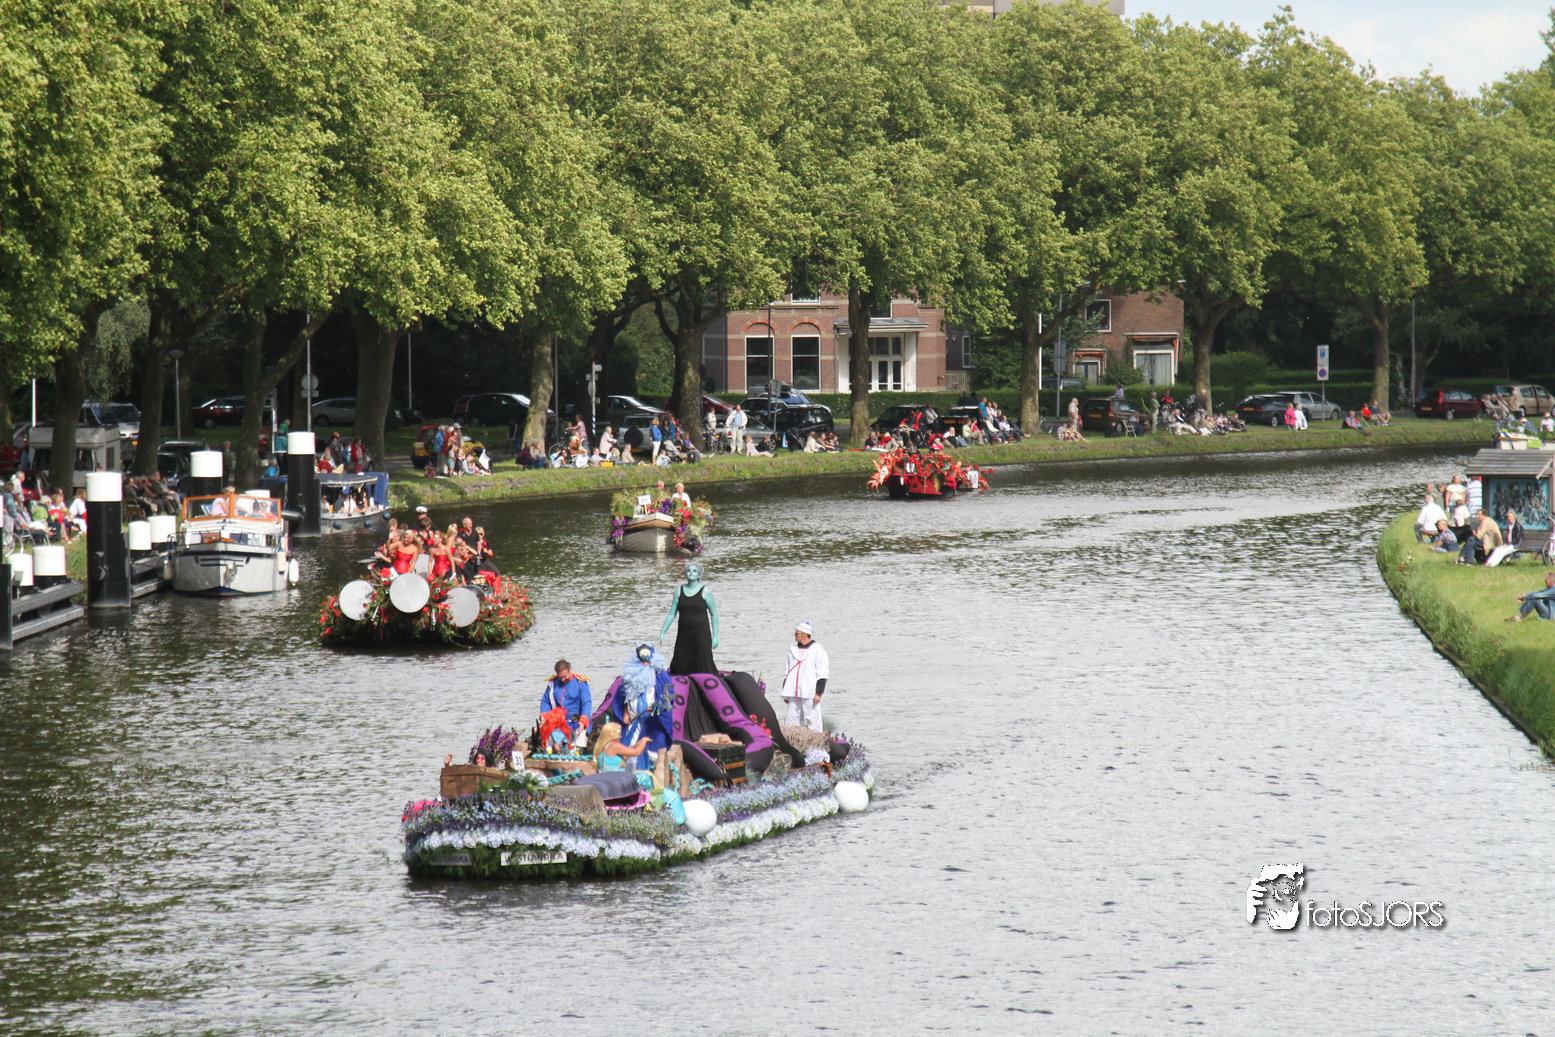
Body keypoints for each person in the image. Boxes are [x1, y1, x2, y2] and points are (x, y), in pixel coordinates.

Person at [660, 562, 718, 675]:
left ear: (699, 575)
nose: (691, 573)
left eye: (694, 571)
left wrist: (715, 636)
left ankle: (706, 681)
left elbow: (714, 614)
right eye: (688, 570)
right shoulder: (679, 591)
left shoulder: (705, 592)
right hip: (684, 633)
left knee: (703, 660)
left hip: (701, 632)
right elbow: (672, 614)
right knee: (681, 661)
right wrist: (663, 632)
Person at [780, 620, 829, 732]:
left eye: (797, 633)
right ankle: (791, 739)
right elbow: (787, 671)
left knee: (813, 719)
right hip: (793, 690)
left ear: (804, 635)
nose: (795, 635)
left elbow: (822, 672)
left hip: (809, 691)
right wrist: (786, 691)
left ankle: (817, 740)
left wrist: (819, 692)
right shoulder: (793, 650)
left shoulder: (817, 650)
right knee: (791, 719)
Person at [540, 659, 593, 747]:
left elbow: (587, 703)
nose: (563, 679)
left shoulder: (580, 683)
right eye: (560, 677)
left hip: (577, 723)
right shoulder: (553, 683)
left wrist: (583, 720)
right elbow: (546, 701)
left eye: (565, 676)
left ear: (570, 670)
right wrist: (544, 716)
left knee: (579, 744)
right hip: (560, 724)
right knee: (553, 744)